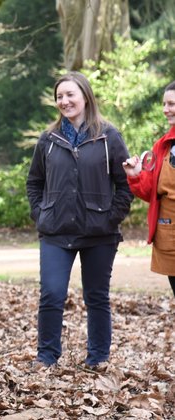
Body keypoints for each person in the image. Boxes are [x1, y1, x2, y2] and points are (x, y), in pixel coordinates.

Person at [26, 71, 132, 369]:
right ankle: (47, 357)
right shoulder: (48, 139)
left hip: (99, 233)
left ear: (85, 96)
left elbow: (125, 185)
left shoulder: (109, 136)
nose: (64, 101)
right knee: (51, 294)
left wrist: (111, 219)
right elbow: (34, 183)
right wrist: (41, 213)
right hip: (56, 232)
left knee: (97, 297)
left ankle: (98, 357)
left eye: (70, 94)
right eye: (60, 96)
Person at [123, 81, 175, 297]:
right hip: (169, 231)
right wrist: (135, 175)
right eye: (164, 104)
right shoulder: (162, 146)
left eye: (171, 104)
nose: (165, 109)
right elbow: (150, 192)